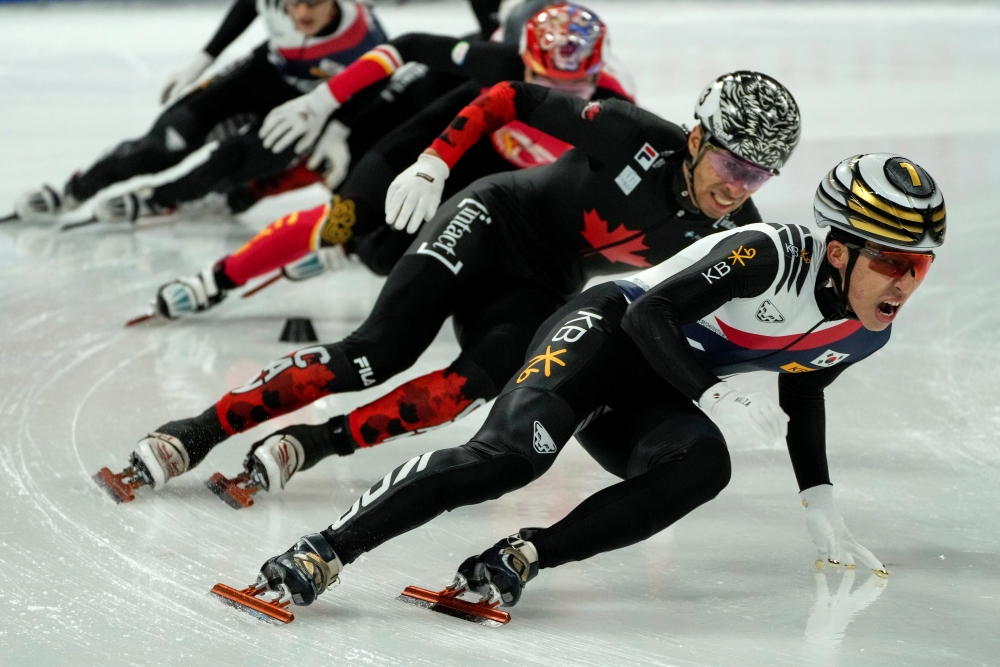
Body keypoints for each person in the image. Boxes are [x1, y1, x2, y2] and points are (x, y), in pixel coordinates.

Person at [243, 153, 945, 615]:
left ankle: (522, 554)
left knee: (703, 465)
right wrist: (713, 391)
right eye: (892, 261)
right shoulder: (765, 256)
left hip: (658, 388)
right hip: (608, 331)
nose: (904, 284)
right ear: (842, 246)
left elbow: (806, 384)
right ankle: (327, 547)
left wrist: (817, 495)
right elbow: (651, 315)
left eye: (921, 267)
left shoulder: (868, 328)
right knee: (512, 458)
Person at [94, 70, 800, 505]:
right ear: (699, 137)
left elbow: (734, 320)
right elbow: (506, 97)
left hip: (542, 282)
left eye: (757, 177)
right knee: (375, 352)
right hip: (492, 217)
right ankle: (195, 431)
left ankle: (315, 444)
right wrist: (434, 162)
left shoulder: (737, 233)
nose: (735, 189)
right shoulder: (631, 134)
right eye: (732, 165)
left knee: (467, 387)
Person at [148, 3, 632, 321]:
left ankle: (354, 252)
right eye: (541, 79)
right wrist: (323, 101)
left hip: (498, 175)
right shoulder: (496, 62)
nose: (556, 97)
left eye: (574, 87)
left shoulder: (616, 107)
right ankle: (218, 278)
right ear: (520, 59)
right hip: (450, 137)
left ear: (598, 73)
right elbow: (408, 46)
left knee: (385, 258)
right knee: (345, 217)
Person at [13, 0, 387, 223]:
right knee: (164, 143)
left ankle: (158, 200)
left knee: (230, 161)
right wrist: (201, 61)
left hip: (304, 107)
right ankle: (76, 190)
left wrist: (338, 131)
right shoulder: (277, 3)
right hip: (260, 74)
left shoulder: (362, 36)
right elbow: (246, 7)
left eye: (314, 3)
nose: (301, 13)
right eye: (294, 3)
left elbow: (379, 79)